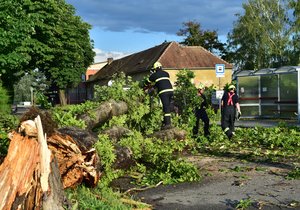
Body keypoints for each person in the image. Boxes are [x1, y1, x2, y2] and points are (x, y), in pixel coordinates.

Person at [146, 61, 174, 129]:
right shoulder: (166, 73)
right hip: (171, 90)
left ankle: (168, 124)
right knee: (168, 106)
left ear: (155, 69)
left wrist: (152, 75)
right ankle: (166, 121)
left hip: (163, 92)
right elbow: (160, 82)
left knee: (166, 107)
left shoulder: (154, 75)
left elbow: (148, 82)